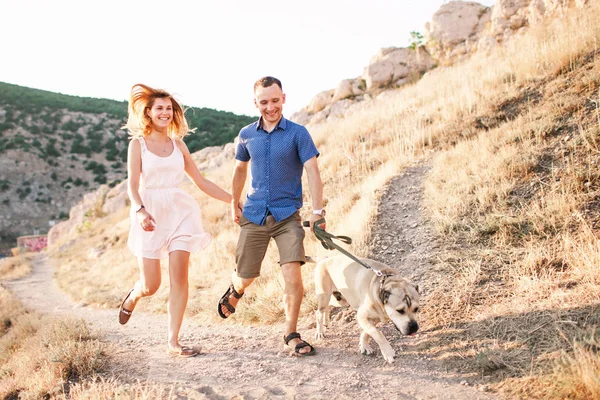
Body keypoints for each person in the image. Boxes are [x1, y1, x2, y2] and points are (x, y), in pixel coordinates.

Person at [118, 83, 233, 358]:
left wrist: (234, 200)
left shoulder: (178, 145)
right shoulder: (138, 145)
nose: (165, 113)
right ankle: (134, 296)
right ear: (148, 112)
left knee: (180, 276)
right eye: (160, 108)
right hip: (150, 214)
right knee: (152, 285)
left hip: (181, 213)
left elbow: (201, 181)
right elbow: (132, 186)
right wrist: (141, 210)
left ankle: (173, 342)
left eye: (169, 109)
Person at [218, 76, 326, 357]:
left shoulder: (298, 133)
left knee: (293, 275)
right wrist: (233, 202)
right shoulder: (246, 135)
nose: (270, 107)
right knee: (245, 275)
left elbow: (312, 170)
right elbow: (240, 170)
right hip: (254, 215)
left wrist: (317, 211)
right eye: (264, 102)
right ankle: (236, 289)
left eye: (275, 100)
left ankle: (291, 332)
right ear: (256, 103)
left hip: (287, 216)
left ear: (283, 99)